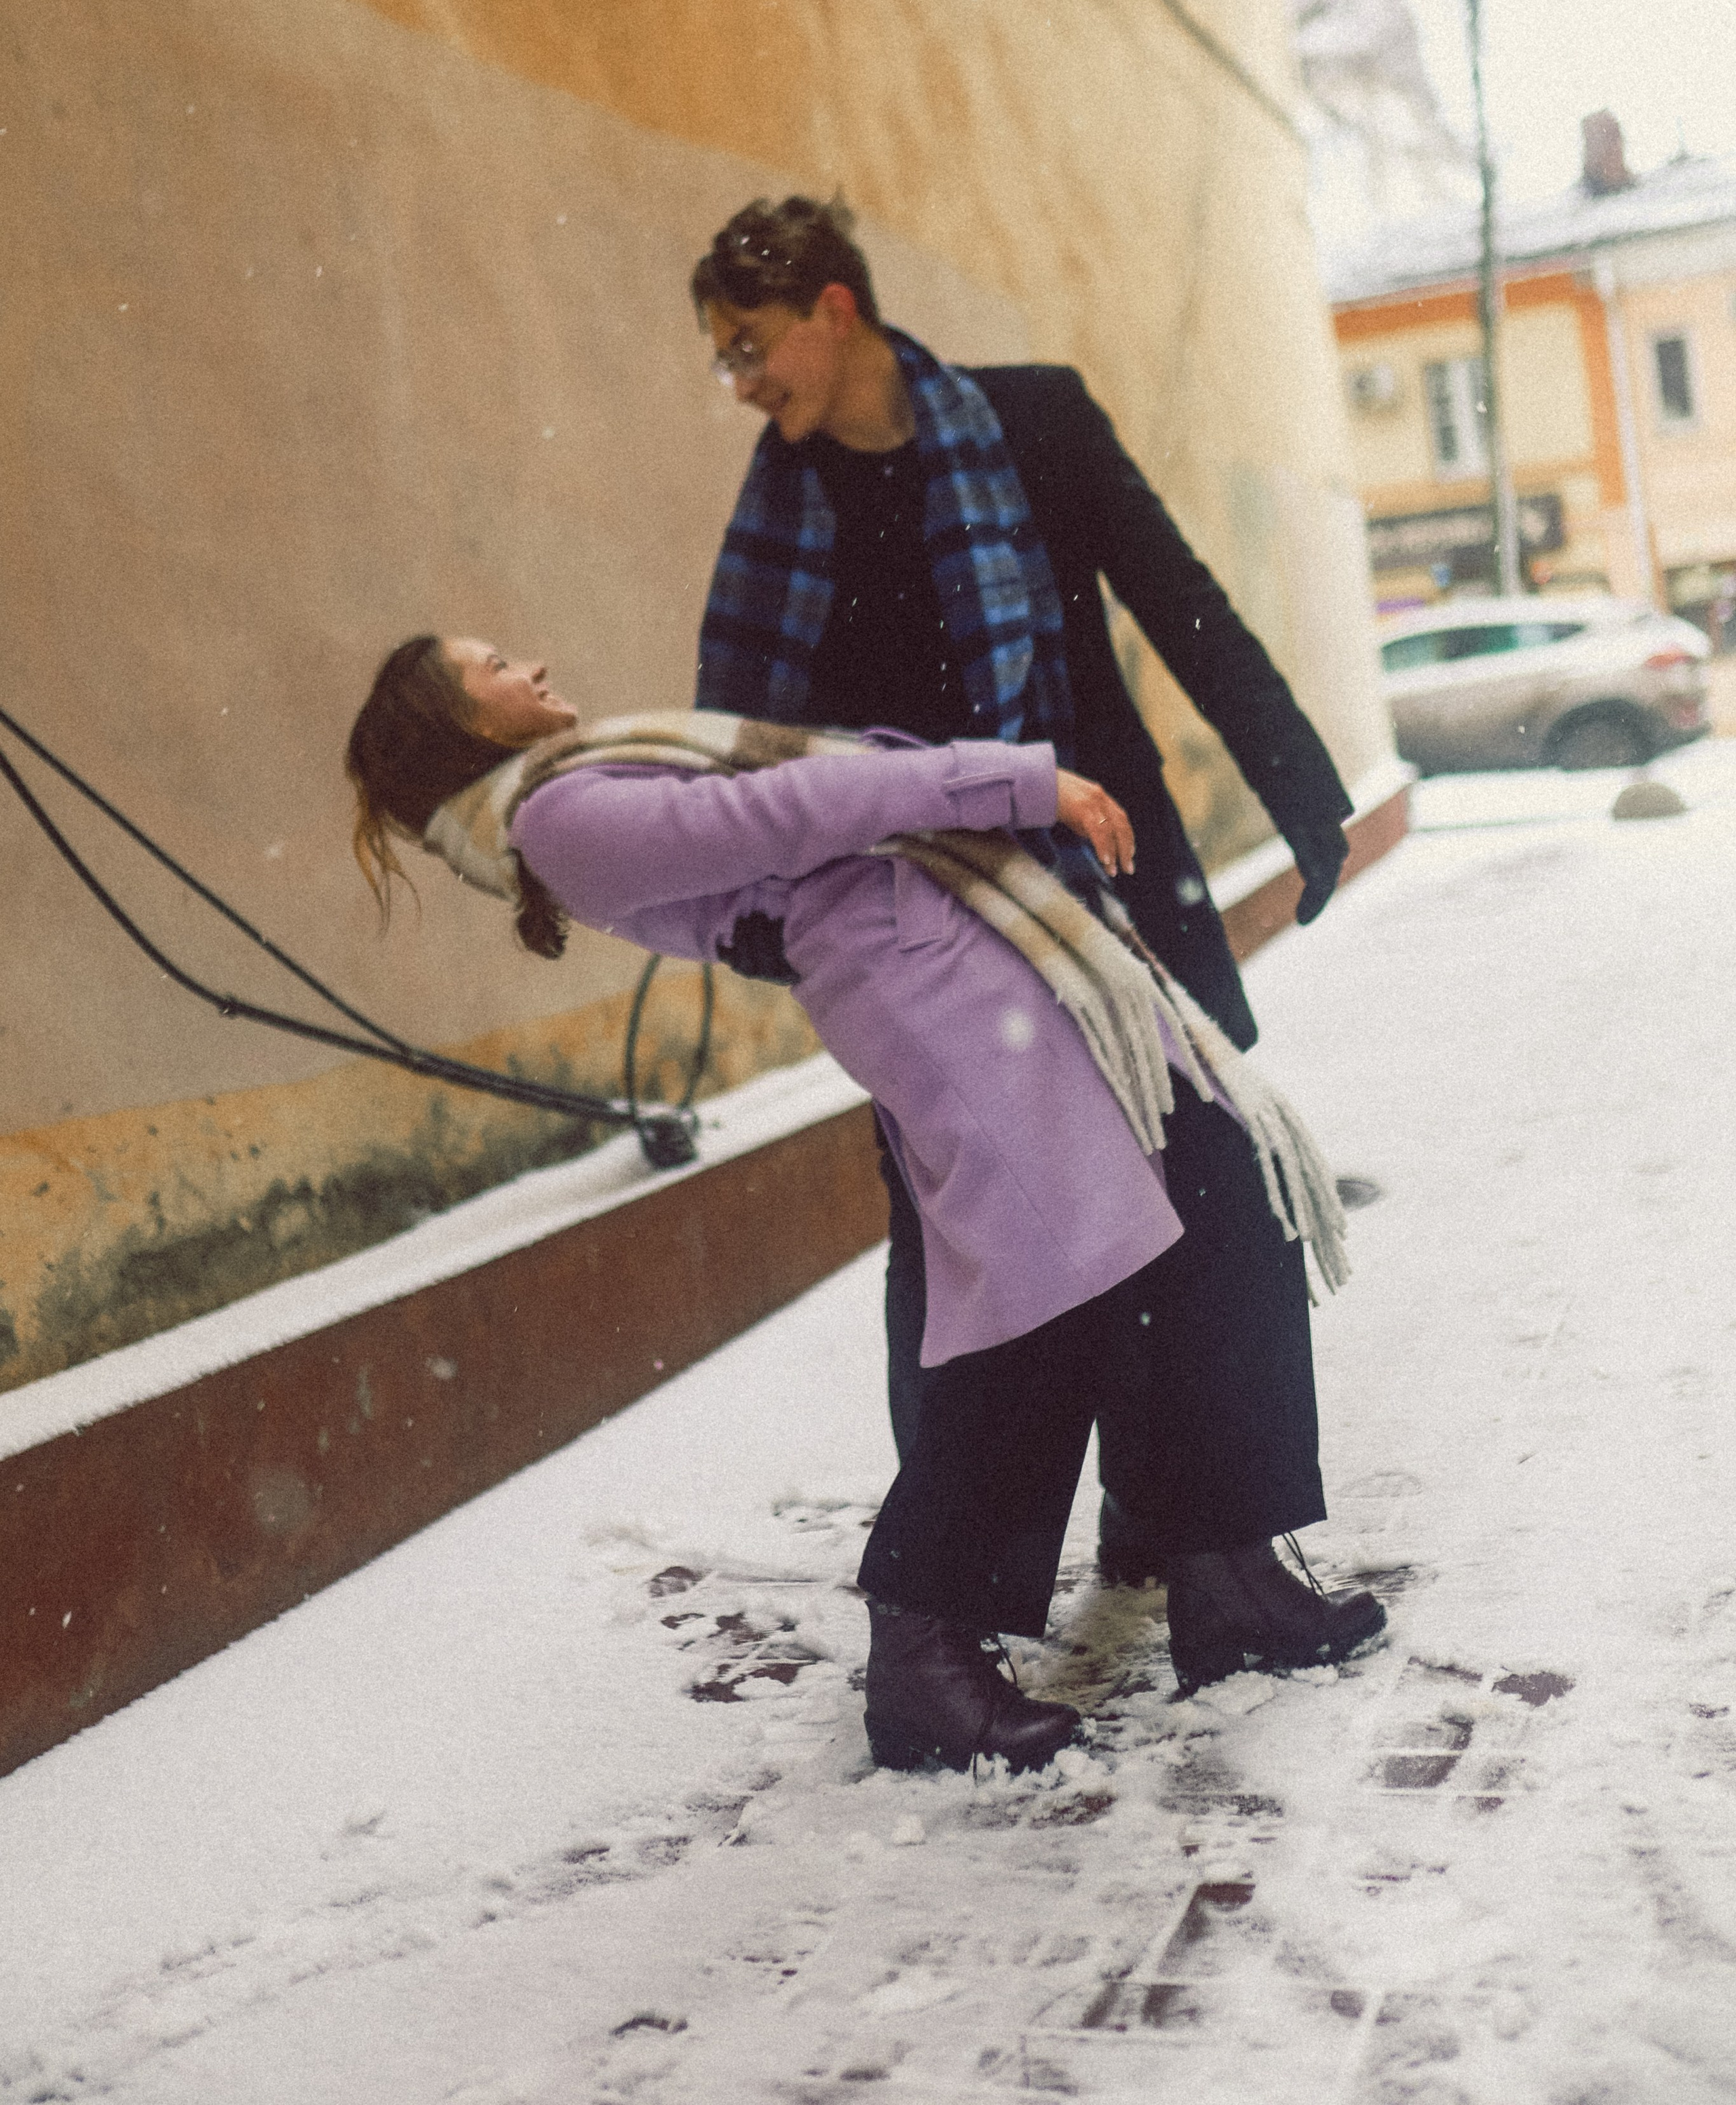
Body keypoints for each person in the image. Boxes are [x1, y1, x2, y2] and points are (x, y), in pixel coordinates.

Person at [345, 636, 1385, 1773]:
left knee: (1211, 1211)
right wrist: (1019, 781)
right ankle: (925, 1658)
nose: (530, 661)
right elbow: (796, 808)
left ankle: (1226, 1571)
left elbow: (792, 817)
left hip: (972, 964)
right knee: (1040, 1314)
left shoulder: (577, 784)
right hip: (933, 993)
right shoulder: (555, 820)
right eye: (492, 664)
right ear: (455, 722)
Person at [689, 197, 1357, 1579]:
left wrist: (1300, 790)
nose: (741, 384)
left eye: (751, 346)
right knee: (954, 1230)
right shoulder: (785, 514)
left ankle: (1181, 1531)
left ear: (833, 308)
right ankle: (940, 1600)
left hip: (1100, 866)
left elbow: (1179, 601)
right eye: (723, 360)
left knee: (1197, 1178)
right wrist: (756, 906)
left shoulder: (1033, 424)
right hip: (922, 925)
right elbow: (747, 747)